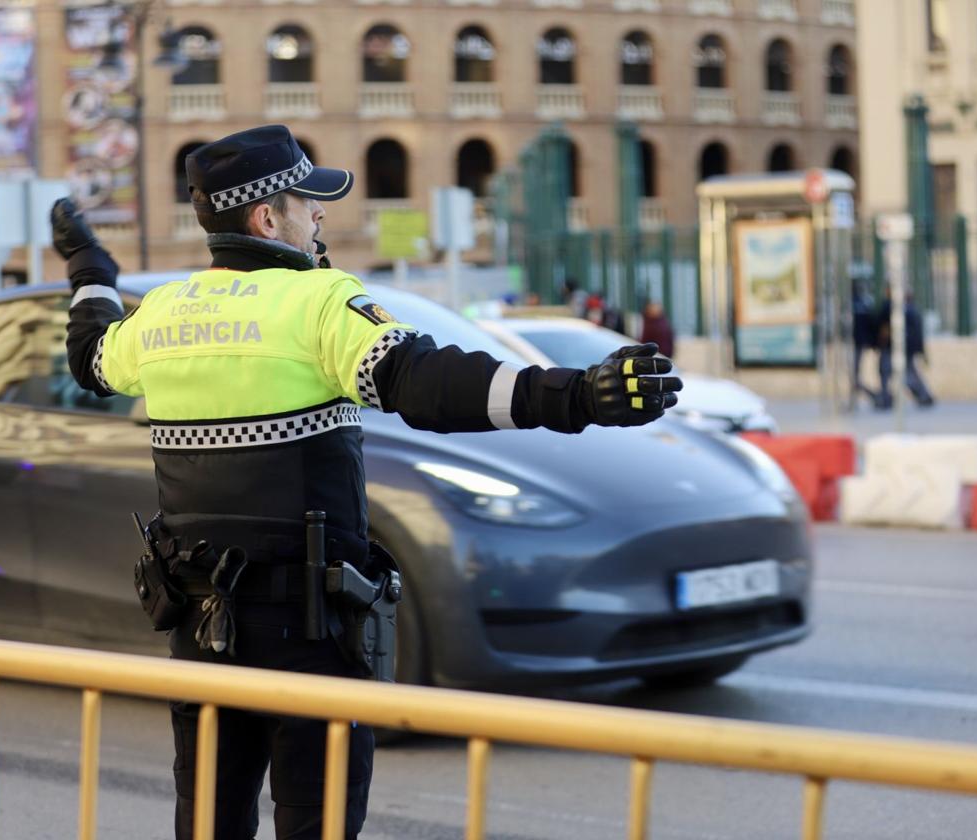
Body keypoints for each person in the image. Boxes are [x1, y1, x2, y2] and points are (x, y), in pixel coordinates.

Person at [51, 124, 683, 840]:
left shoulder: (162, 313)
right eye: (306, 200)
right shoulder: (317, 303)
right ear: (266, 218)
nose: (319, 214)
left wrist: (88, 265)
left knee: (208, 826)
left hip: (202, 634)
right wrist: (577, 395)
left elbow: (89, 356)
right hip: (312, 639)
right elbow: (425, 382)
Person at [876, 287, 935, 409]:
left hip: (897, 347)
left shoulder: (899, 309)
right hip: (903, 348)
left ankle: (887, 398)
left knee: (900, 373)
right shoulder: (910, 310)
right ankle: (923, 395)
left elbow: (886, 329)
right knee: (905, 373)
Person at [849, 281, 878, 409]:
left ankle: (871, 395)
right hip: (859, 343)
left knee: (854, 376)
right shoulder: (864, 304)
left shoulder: (850, 305)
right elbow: (871, 324)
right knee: (854, 375)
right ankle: (859, 398)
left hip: (853, 344)